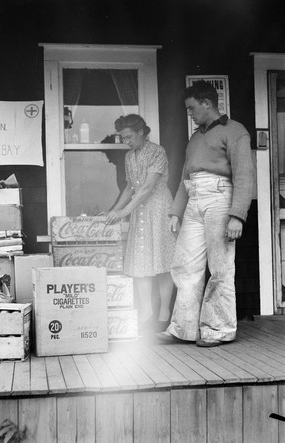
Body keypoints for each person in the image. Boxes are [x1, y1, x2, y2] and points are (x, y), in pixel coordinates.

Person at [158, 80, 254, 347]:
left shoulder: (234, 131)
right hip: (194, 198)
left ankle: (219, 328)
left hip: (220, 197)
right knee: (185, 264)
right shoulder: (196, 137)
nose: (190, 114)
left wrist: (237, 215)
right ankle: (183, 327)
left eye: (191, 109)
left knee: (220, 266)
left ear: (207, 104)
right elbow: (183, 178)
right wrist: (176, 212)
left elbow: (244, 175)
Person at [106, 114, 176, 335]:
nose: (127, 141)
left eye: (129, 137)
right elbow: (130, 188)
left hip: (158, 209)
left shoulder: (157, 151)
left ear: (141, 133)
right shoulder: (129, 156)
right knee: (141, 265)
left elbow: (147, 188)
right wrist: (114, 210)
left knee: (162, 262)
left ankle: (164, 314)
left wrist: (124, 212)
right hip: (140, 211)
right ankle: (146, 314)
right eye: (123, 138)